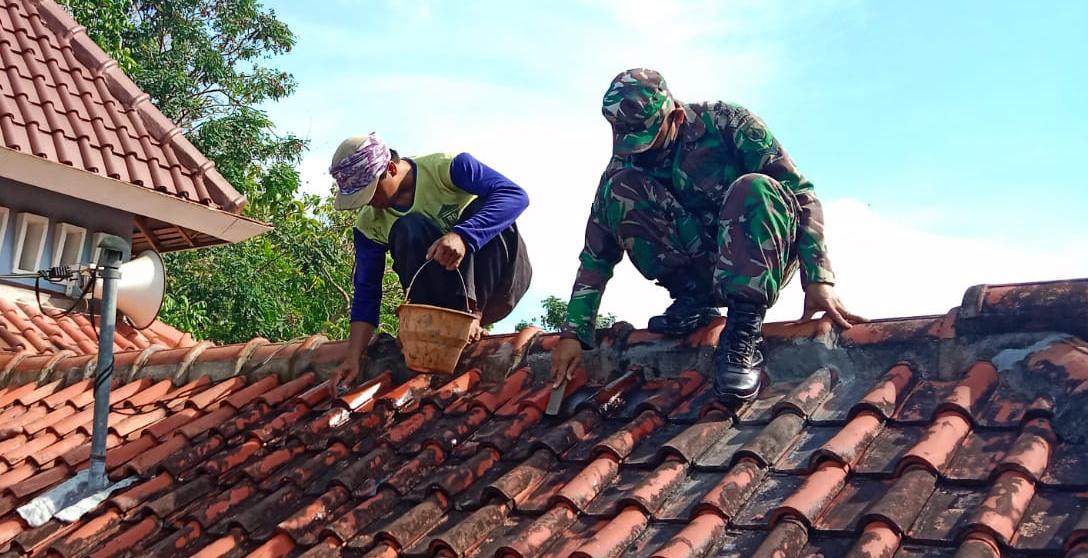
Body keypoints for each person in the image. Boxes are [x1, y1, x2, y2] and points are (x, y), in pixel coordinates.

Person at [551, 69, 863, 401]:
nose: (643, 153)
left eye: (649, 141)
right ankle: (693, 300)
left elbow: (801, 194)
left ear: (676, 116)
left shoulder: (729, 123)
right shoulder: (626, 161)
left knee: (753, 187)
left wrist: (817, 277)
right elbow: (596, 253)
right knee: (620, 190)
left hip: (756, 251)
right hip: (697, 265)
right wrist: (574, 334)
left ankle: (743, 332)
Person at [330, 133, 532, 391]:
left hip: (499, 281)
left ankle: (471, 315)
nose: (370, 202)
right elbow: (366, 292)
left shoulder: (447, 168)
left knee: (485, 207)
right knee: (407, 227)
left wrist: (464, 235)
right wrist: (353, 358)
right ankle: (433, 323)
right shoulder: (370, 225)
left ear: (390, 168)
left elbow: (515, 196)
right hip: (440, 296)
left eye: (371, 192)